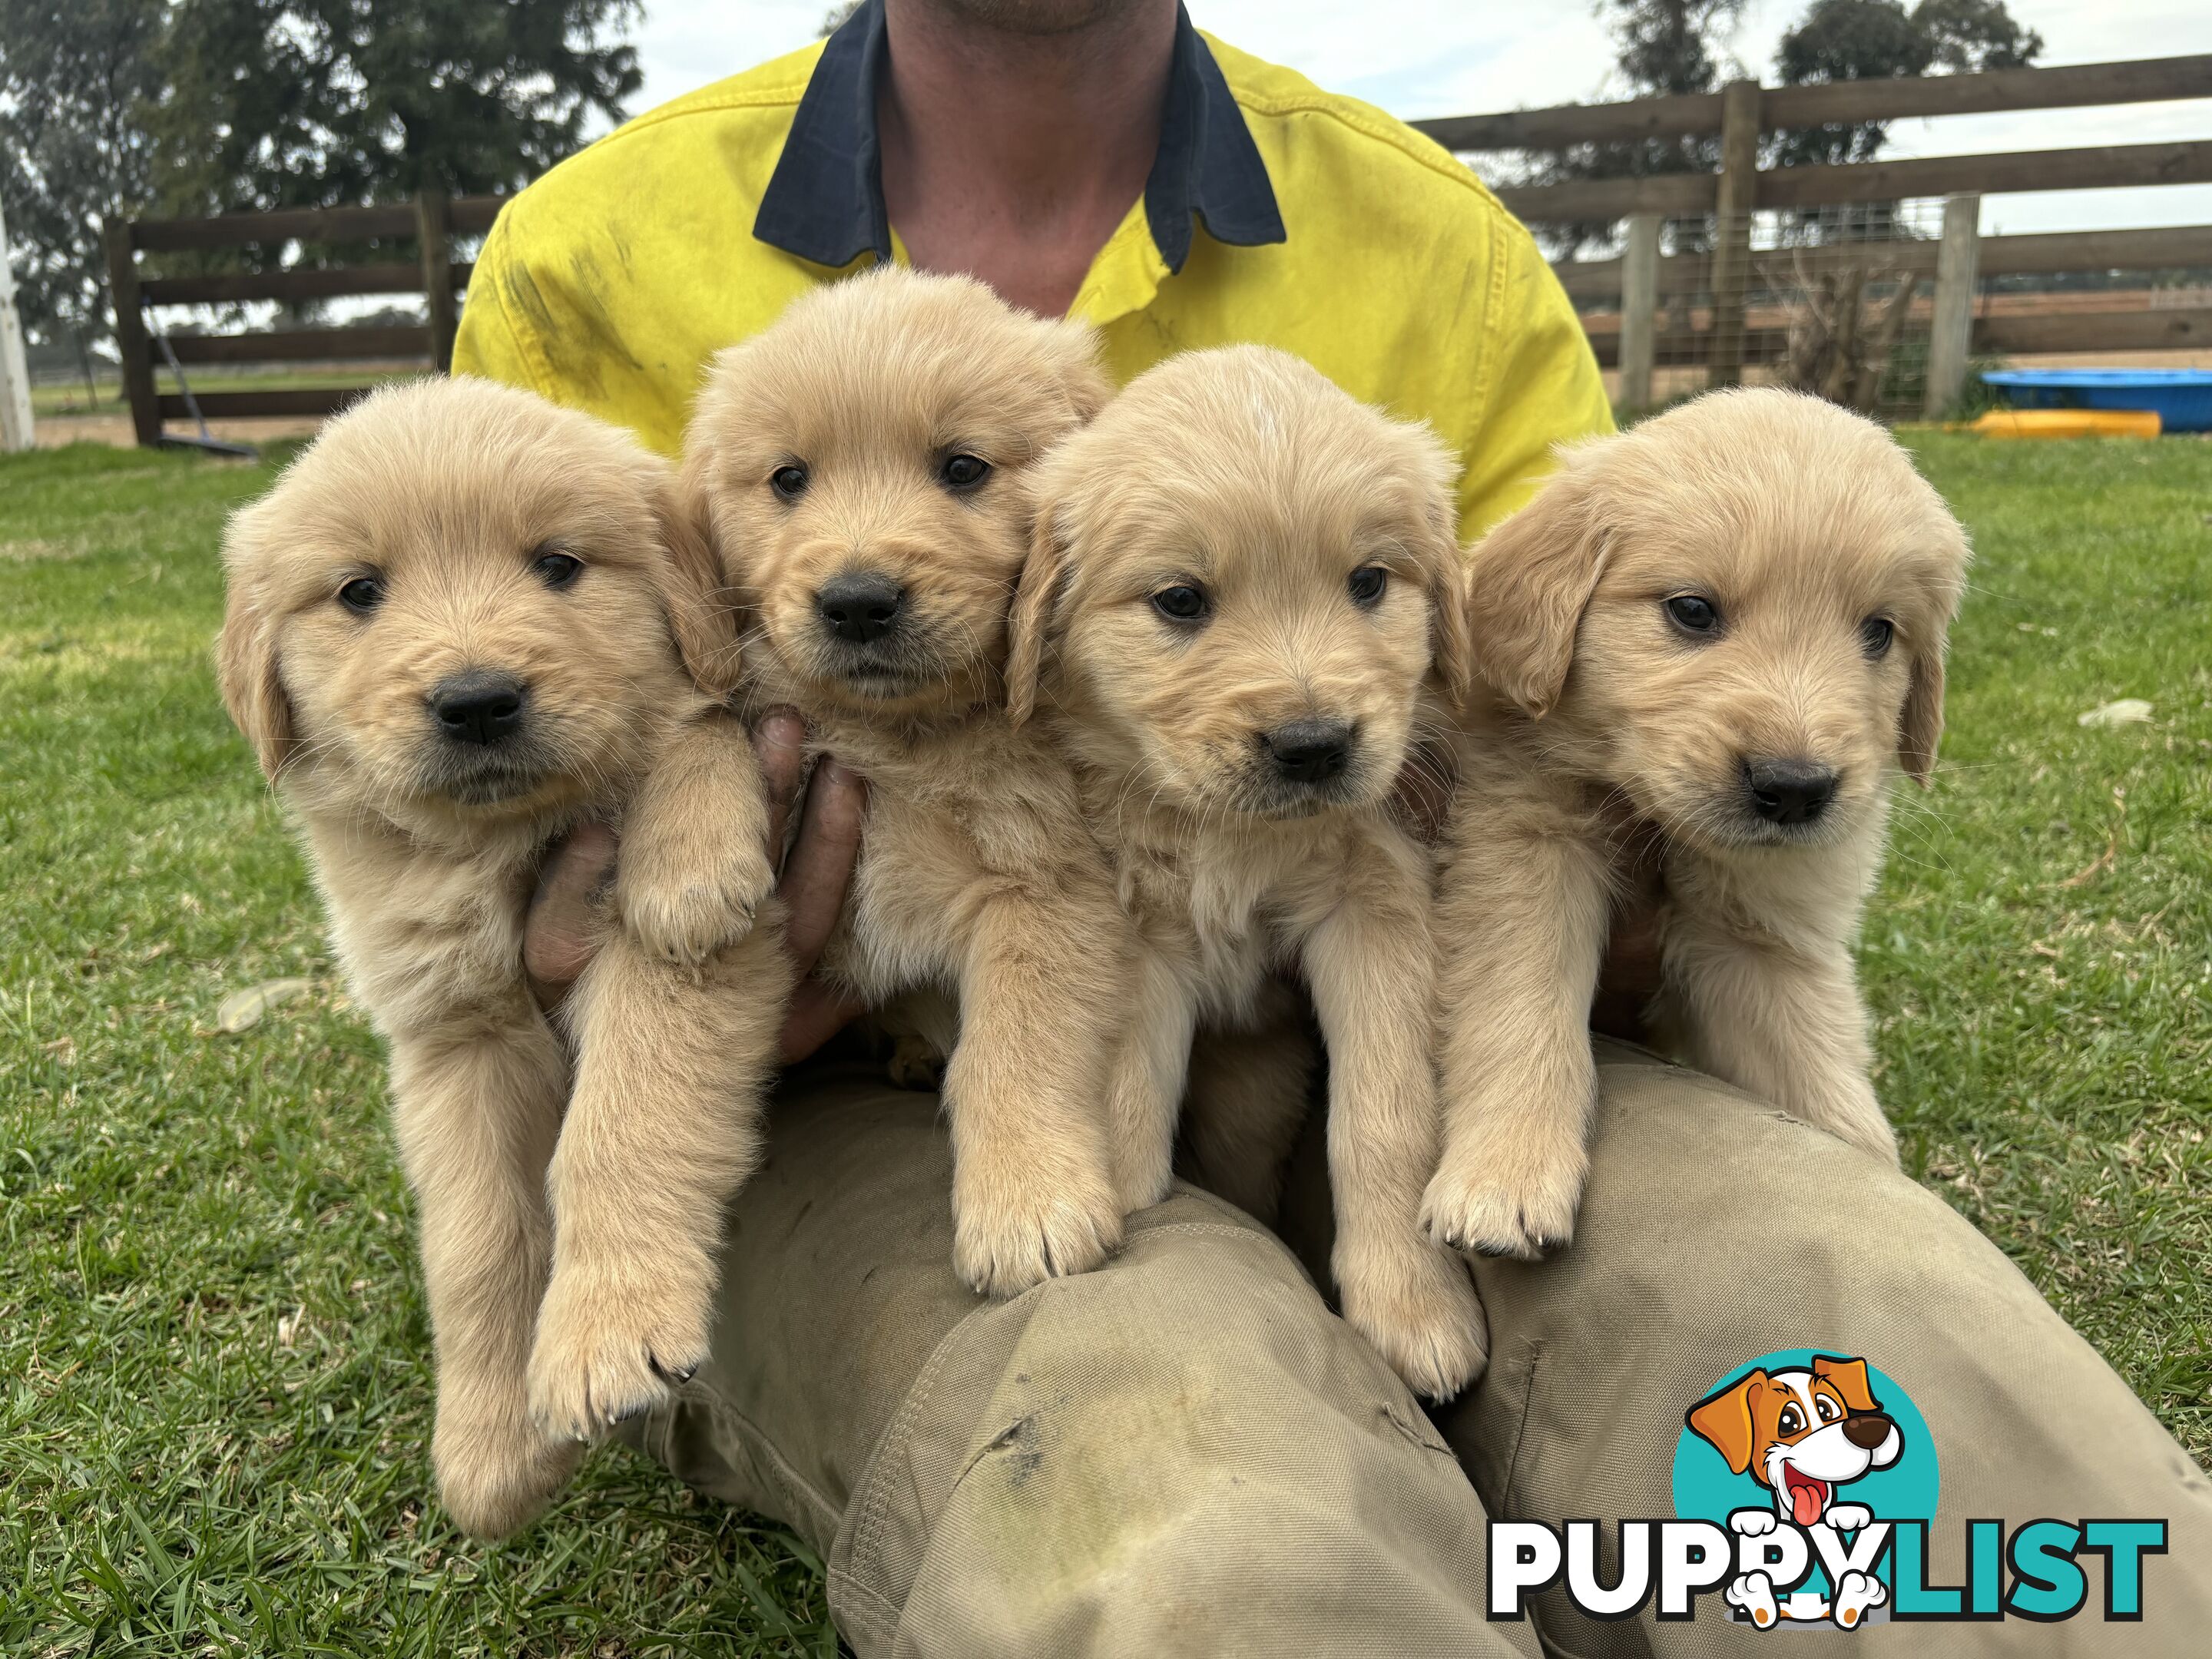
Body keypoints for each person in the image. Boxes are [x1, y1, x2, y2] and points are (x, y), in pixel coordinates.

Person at [455, 2, 2212, 1652]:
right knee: (1213, 1534)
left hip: (1437, 999)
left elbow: (1595, 701)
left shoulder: (1439, 248)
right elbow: (498, 854)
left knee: (1904, 1405)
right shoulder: (587, 257)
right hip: (857, 1098)